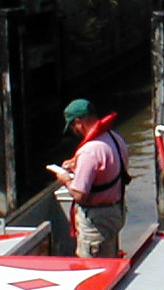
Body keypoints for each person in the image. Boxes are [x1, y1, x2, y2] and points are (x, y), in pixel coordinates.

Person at [53, 98, 130, 258]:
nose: (75, 130)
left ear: (79, 122)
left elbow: (80, 195)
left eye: (73, 126)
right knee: (110, 256)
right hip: (116, 211)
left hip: (97, 222)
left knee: (94, 267)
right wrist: (78, 165)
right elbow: (109, 169)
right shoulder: (115, 138)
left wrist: (66, 179)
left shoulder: (89, 151)